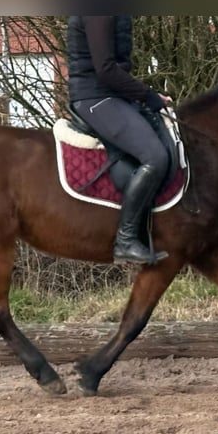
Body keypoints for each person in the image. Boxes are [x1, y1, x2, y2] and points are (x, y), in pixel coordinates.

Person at [66, 15, 172, 264]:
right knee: (155, 157)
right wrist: (146, 96)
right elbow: (105, 70)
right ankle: (125, 241)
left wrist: (145, 94)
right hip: (95, 97)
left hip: (112, 96)